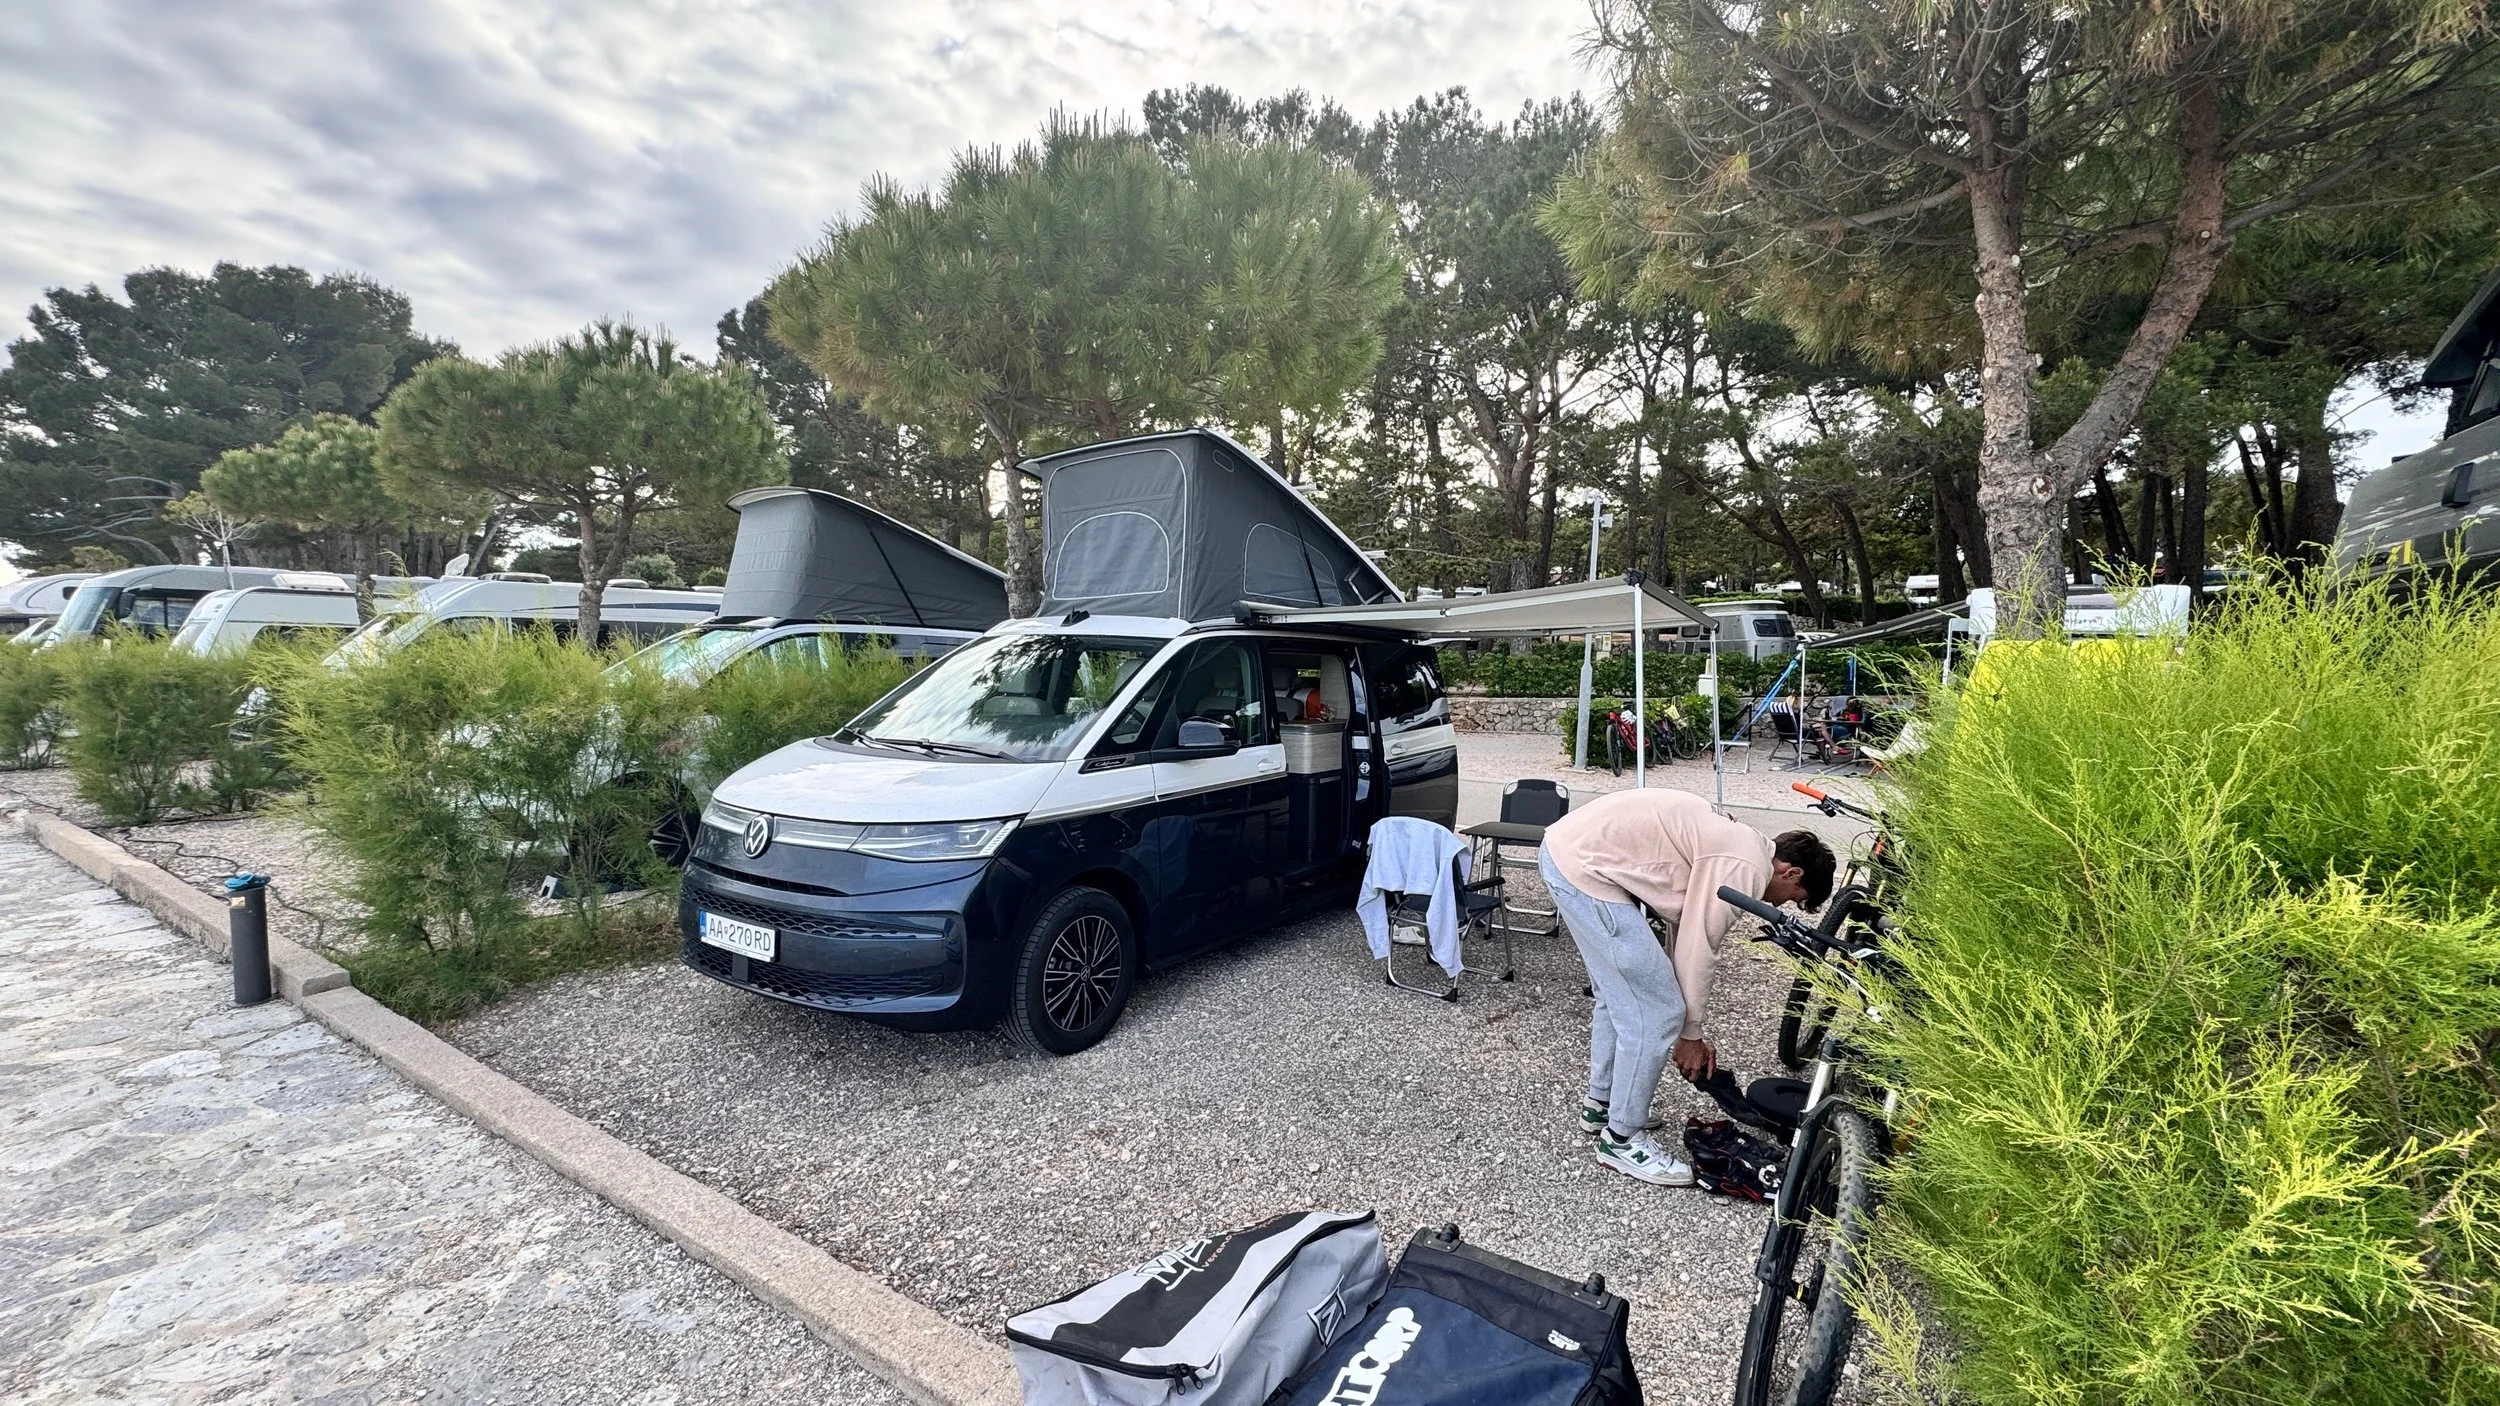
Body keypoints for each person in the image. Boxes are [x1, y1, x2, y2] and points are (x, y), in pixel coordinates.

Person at [1538, 788, 1834, 1186]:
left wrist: (1690, 1028)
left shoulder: (1744, 842)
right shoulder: (1744, 868)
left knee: (1621, 995)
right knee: (1656, 1012)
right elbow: (1699, 946)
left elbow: (1682, 929)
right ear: (1791, 873)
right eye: (1793, 899)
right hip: (1584, 867)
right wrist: (1689, 1035)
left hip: (1569, 851)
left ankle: (1602, 1104)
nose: (1781, 906)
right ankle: (1621, 1139)